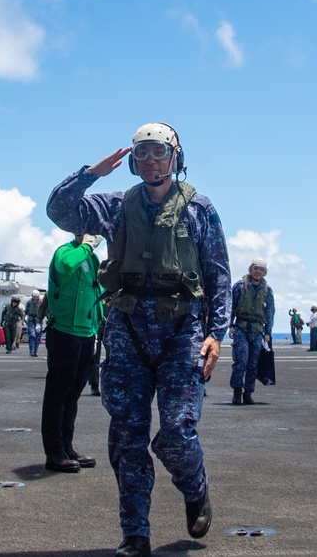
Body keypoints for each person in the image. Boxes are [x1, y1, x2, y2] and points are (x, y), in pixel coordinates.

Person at [47, 121, 231, 557]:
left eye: (158, 153)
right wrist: (90, 174)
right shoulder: (114, 205)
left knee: (176, 432)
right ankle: (135, 533)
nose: (151, 161)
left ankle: (194, 485)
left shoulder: (199, 209)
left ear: (175, 157)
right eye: (142, 154)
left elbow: (219, 274)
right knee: (127, 436)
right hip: (128, 328)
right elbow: (60, 211)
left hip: (181, 329)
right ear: (133, 161)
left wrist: (217, 335)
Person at [40, 234, 105, 473]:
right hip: (64, 332)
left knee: (73, 393)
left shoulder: (92, 259)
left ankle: (67, 447)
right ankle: (54, 452)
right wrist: (87, 245)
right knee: (58, 394)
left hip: (86, 333)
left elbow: (97, 288)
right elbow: (67, 265)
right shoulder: (65, 252)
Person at [229, 258, 274, 405]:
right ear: (251, 269)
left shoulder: (267, 290)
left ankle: (248, 393)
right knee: (240, 362)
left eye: (261, 269)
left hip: (257, 330)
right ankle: (236, 392)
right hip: (241, 328)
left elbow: (269, 312)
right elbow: (230, 307)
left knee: (253, 364)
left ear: (264, 272)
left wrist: (268, 332)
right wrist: (230, 326)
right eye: (255, 268)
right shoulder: (240, 286)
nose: (258, 271)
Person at [24, 289, 43, 357]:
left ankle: (35, 351)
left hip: (38, 320)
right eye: (34, 297)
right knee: (32, 335)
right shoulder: (29, 302)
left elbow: (44, 310)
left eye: (36, 297)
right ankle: (31, 351)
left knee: (38, 336)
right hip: (31, 319)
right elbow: (26, 311)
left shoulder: (41, 302)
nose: (35, 298)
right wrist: (23, 319)